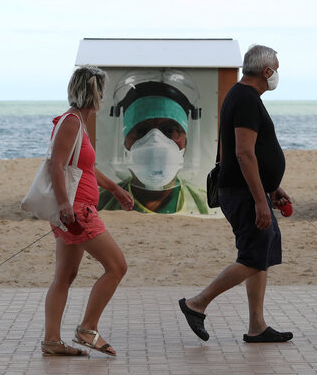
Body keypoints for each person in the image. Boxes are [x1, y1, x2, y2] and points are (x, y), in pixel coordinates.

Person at [178, 45, 294, 344]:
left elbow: (242, 151)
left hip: (249, 190)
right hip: (244, 194)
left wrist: (271, 187)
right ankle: (197, 304)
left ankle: (257, 325)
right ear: (267, 71)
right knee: (253, 255)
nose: (277, 74)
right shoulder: (245, 99)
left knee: (261, 254)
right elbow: (244, 154)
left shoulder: (242, 95)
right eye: (276, 69)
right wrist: (260, 201)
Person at [41, 66, 134, 356]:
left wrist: (116, 190)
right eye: (101, 90)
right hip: (76, 211)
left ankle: (52, 341)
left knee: (65, 276)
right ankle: (87, 328)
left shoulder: (79, 122)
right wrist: (64, 205)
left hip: (74, 209)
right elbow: (55, 164)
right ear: (93, 92)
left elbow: (86, 168)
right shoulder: (71, 122)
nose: (104, 96)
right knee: (117, 266)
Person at [97, 69, 208, 214]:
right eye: (142, 131)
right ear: (125, 141)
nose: (155, 141)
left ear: (185, 143)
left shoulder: (206, 206)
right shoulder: (97, 205)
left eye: (169, 130)